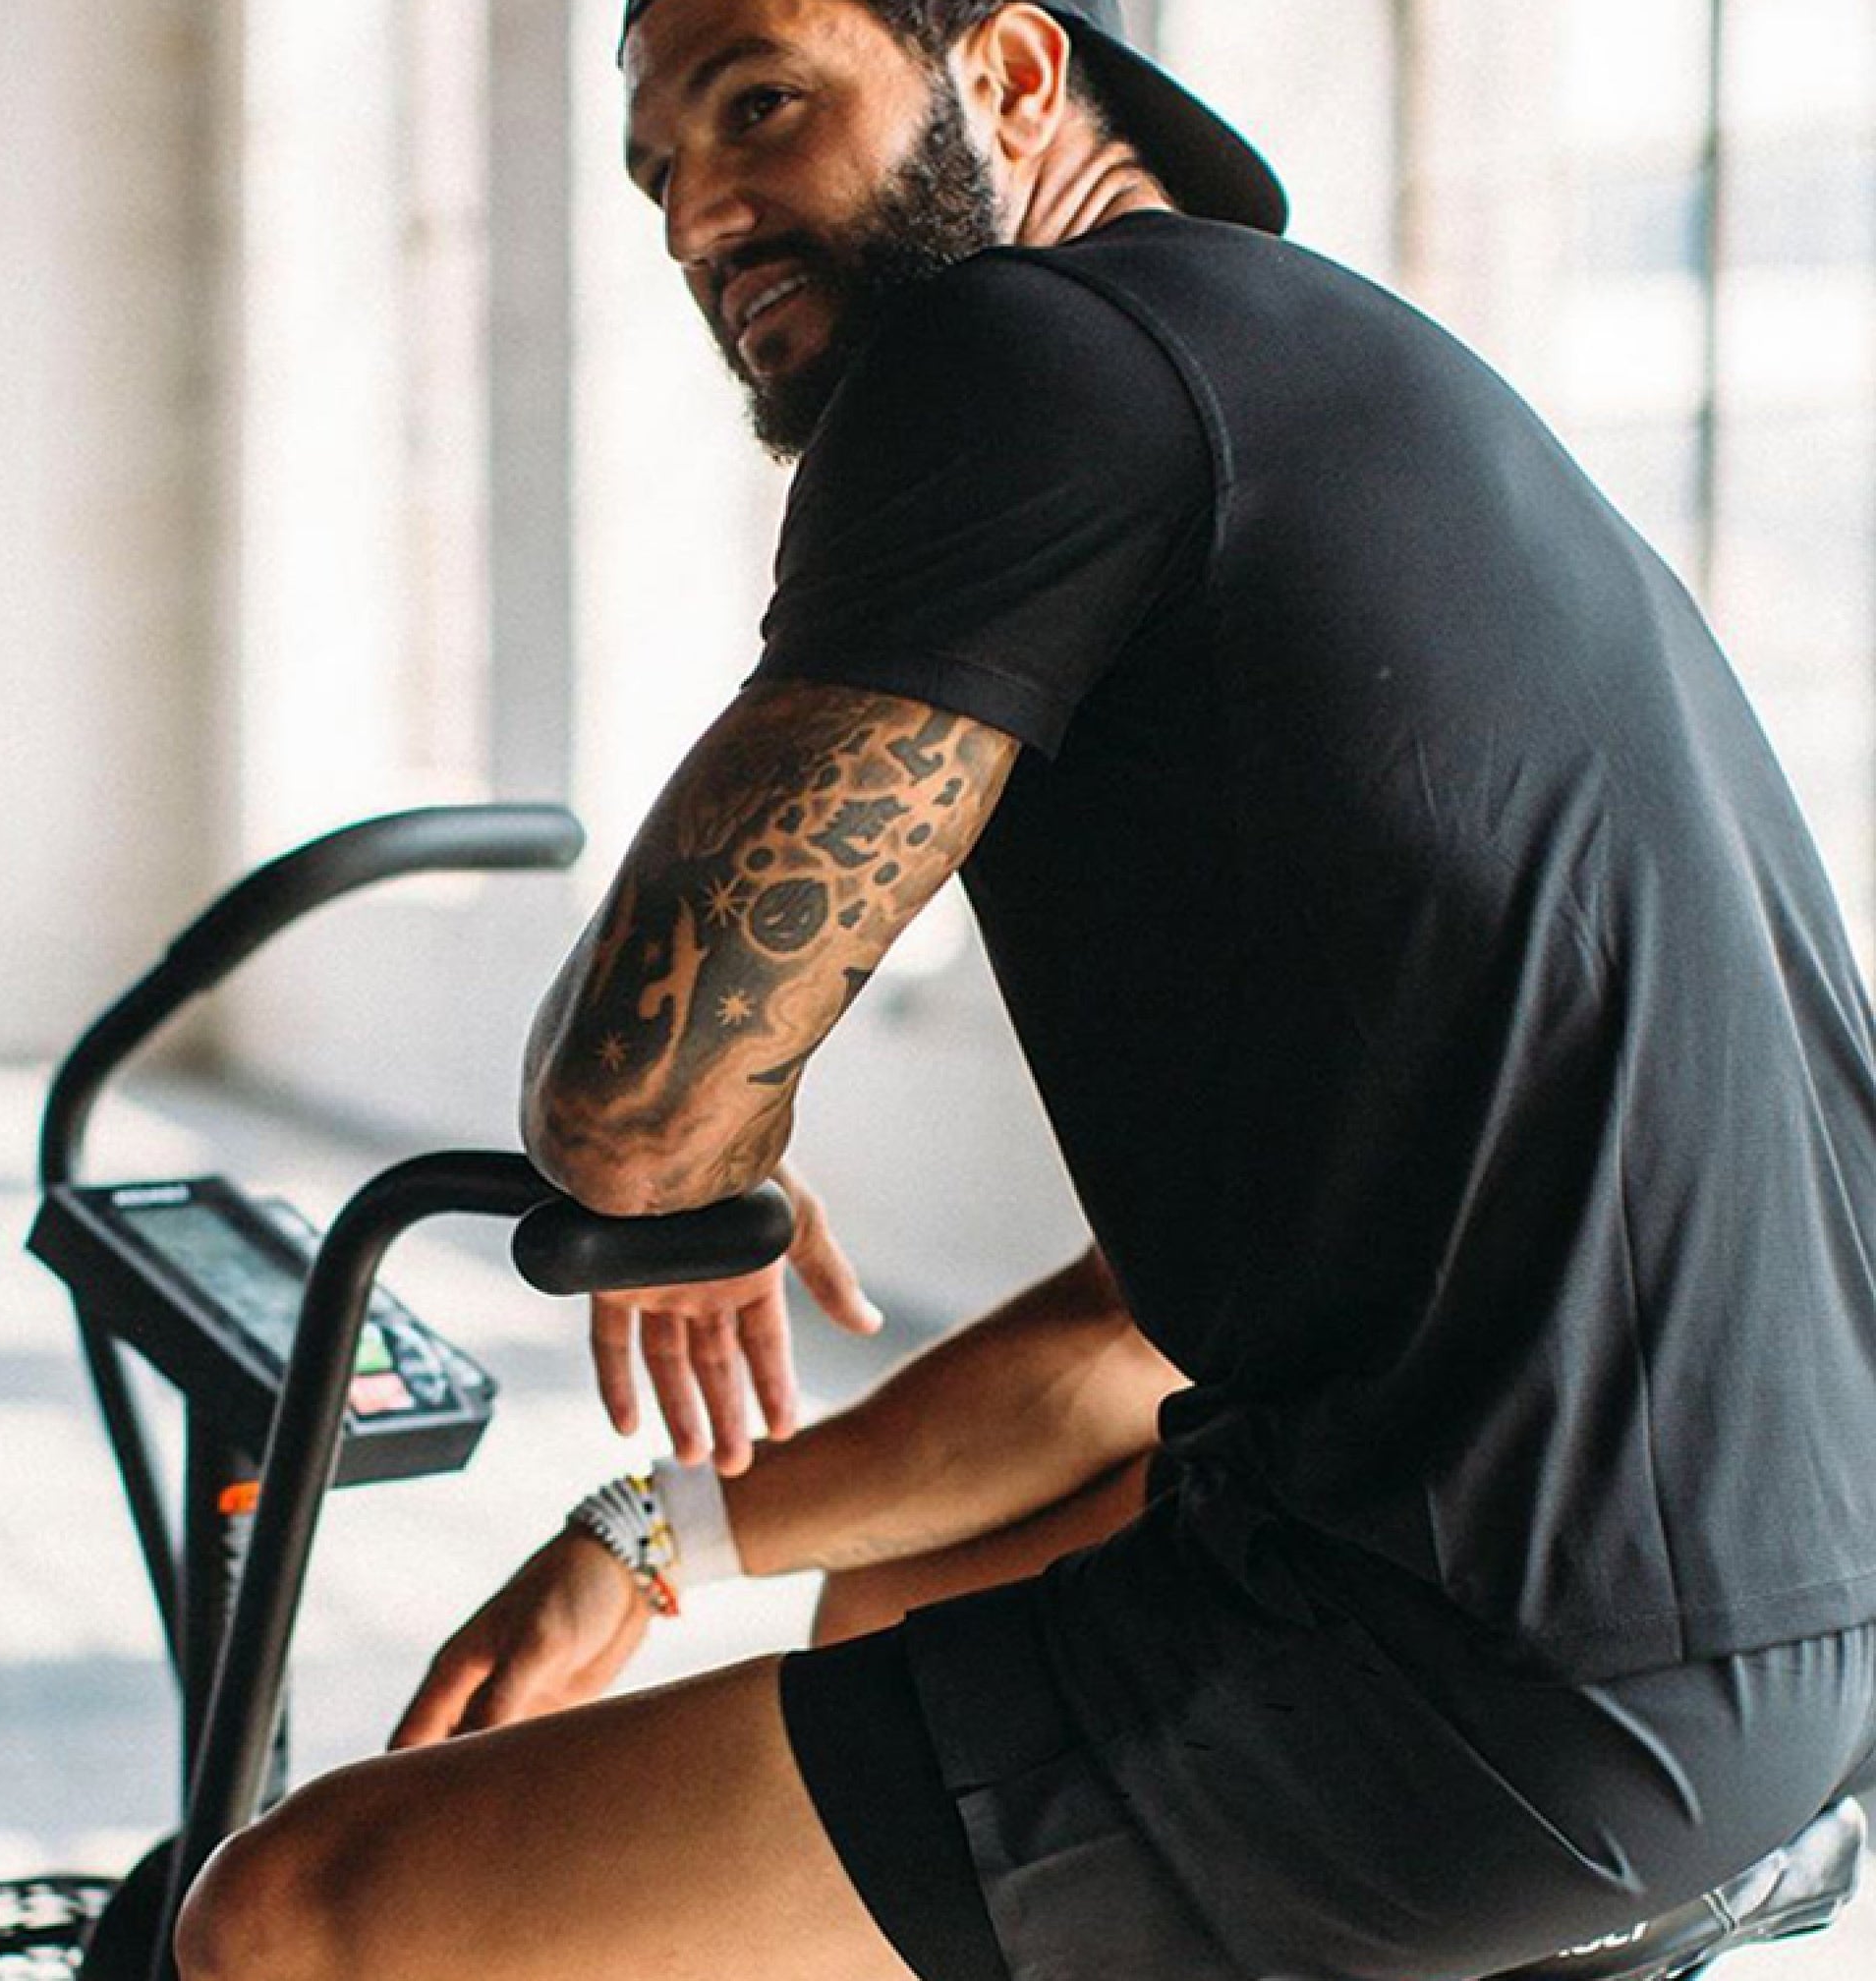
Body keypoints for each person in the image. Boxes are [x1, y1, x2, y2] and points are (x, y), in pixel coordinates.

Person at [168, 2, 1876, 1978]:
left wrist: (716, 1136)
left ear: (1007, 77)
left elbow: (635, 1106)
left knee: (294, 1916)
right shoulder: (1315, 374)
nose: (694, 215)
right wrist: (653, 1540)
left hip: (1484, 1685)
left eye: (762, 102)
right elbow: (1124, 1344)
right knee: (882, 1613)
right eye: (656, 170)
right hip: (1784, 1676)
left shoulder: (1019, 352)